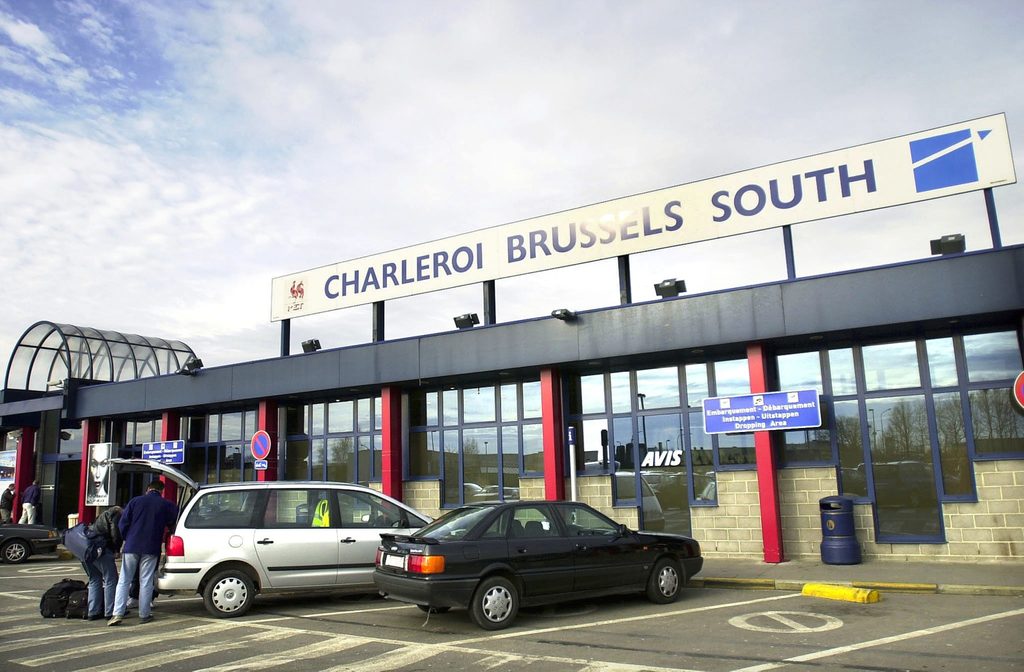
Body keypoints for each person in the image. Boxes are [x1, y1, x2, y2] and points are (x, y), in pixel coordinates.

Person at [108, 479, 177, 626]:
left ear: (148, 489)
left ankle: (117, 613)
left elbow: (122, 523)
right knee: (146, 580)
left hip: (132, 545)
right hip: (151, 546)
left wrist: (128, 537)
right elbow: (173, 522)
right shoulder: (166, 504)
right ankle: (144, 614)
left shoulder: (135, 501)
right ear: (162, 491)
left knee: (124, 579)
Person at [83, 505, 122, 621]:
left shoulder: (99, 517)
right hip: (102, 549)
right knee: (111, 579)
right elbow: (115, 534)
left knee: (94, 579)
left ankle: (93, 611)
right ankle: (109, 612)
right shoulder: (115, 516)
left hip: (87, 550)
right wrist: (117, 549)